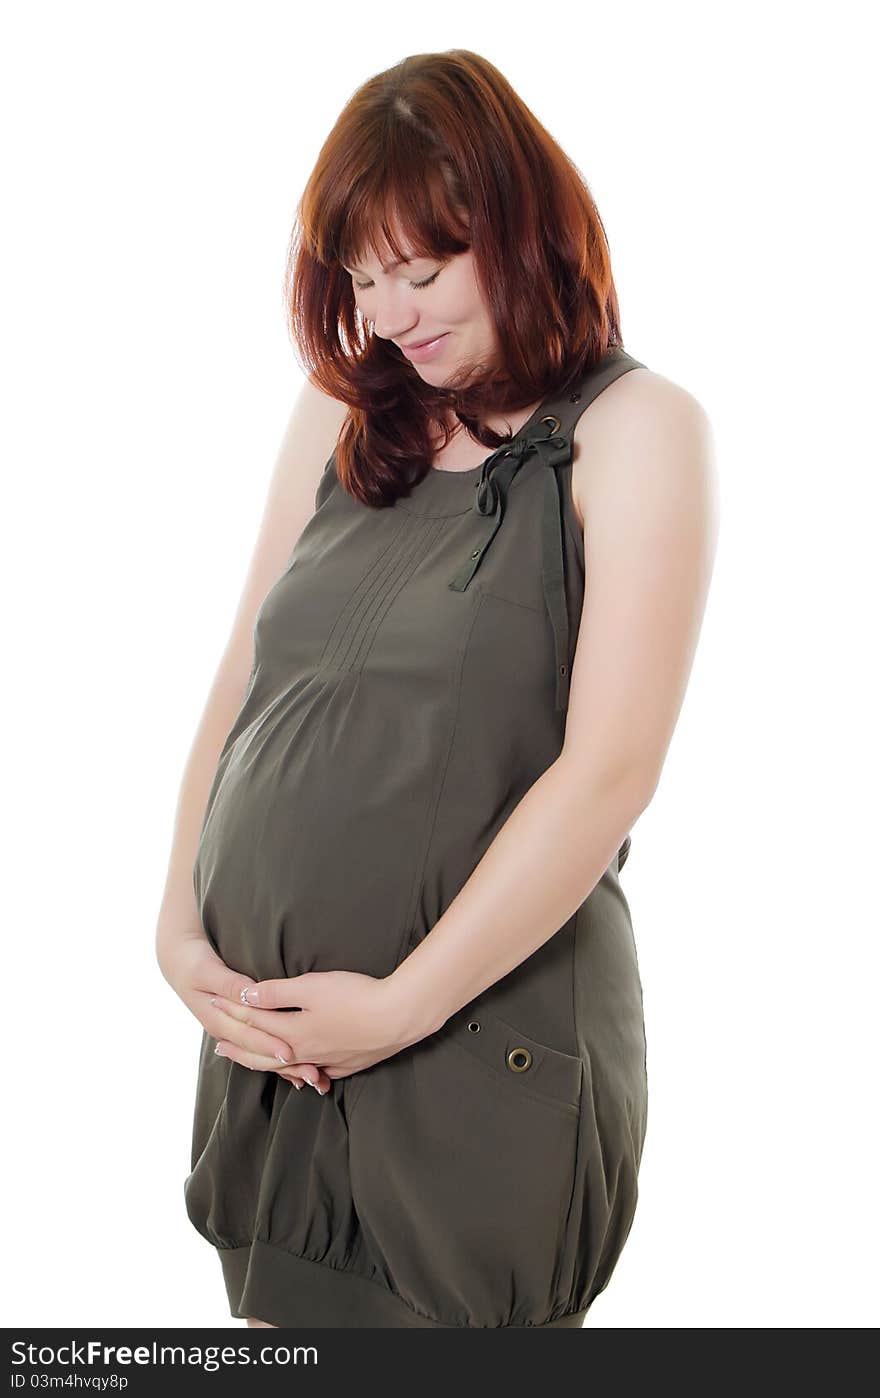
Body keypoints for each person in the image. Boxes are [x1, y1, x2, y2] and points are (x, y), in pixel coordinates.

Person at [155, 48, 718, 1330]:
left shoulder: (639, 432)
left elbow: (610, 772)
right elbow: (250, 671)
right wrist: (178, 926)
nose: (389, 314)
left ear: (519, 232)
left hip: (472, 1059)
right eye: (360, 278)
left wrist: (398, 1007)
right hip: (279, 1069)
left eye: (420, 271)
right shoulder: (345, 408)